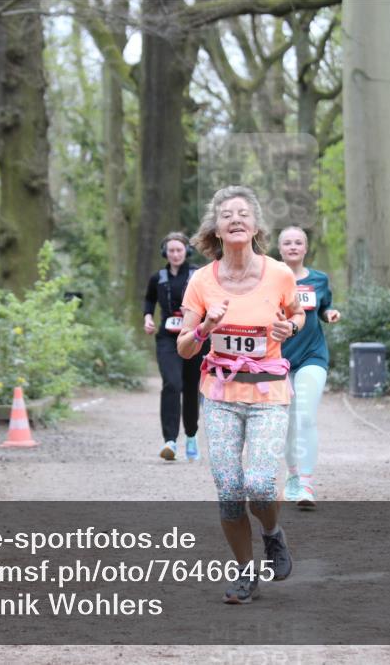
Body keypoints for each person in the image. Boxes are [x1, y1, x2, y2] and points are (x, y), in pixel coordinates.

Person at [177, 185, 305, 604]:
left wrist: (292, 327)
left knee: (262, 484)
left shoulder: (279, 274)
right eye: (226, 214)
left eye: (243, 213)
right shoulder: (200, 281)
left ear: (255, 226)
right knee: (230, 489)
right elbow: (184, 347)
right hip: (219, 395)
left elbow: (296, 313)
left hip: (268, 394)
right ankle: (245, 572)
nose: (235, 219)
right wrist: (204, 328)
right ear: (215, 227)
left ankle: (272, 534)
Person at [278, 226, 341, 509]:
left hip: (312, 356)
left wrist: (330, 313)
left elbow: (325, 308)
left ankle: (305, 483)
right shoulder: (269, 278)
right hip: (277, 358)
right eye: (287, 243)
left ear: (305, 249)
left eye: (298, 242)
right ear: (280, 249)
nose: (293, 246)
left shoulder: (319, 279)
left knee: (304, 416)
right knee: (286, 423)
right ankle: (292, 476)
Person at [143, 231, 207, 461]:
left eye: (179, 250)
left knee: (191, 388)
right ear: (165, 253)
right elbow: (149, 299)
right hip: (167, 338)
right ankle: (169, 441)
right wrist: (148, 317)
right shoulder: (157, 277)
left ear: (186, 252)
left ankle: (191, 435)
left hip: (194, 336)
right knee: (172, 383)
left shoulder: (198, 274)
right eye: (171, 250)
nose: (175, 254)